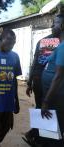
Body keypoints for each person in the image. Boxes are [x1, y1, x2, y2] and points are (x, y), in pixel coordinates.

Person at [23, 14, 62, 146]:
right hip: (44, 83)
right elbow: (38, 64)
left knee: (46, 110)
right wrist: (30, 82)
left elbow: (37, 64)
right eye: (52, 23)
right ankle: (37, 137)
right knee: (45, 110)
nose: (52, 26)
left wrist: (30, 82)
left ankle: (37, 136)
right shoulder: (50, 42)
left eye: (55, 23)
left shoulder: (53, 41)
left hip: (47, 82)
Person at [41, 14, 64, 147]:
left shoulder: (62, 47)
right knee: (52, 132)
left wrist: (46, 101)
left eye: (54, 23)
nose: (51, 26)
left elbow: (59, 76)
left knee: (54, 134)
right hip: (54, 95)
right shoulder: (59, 45)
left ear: (61, 26)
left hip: (55, 98)